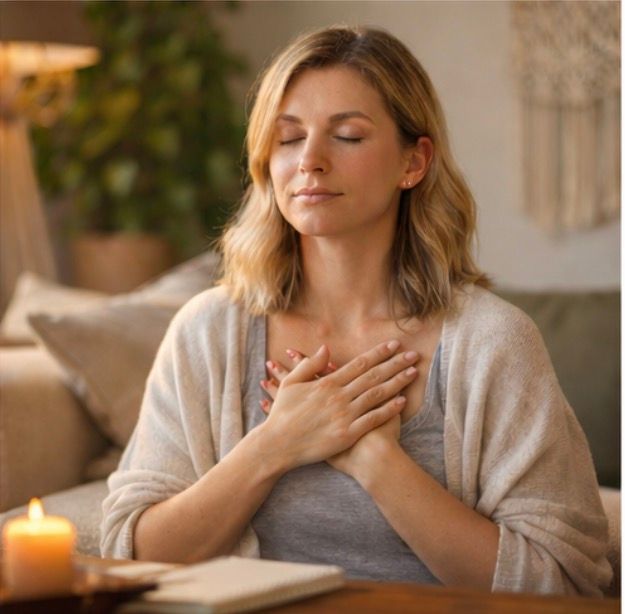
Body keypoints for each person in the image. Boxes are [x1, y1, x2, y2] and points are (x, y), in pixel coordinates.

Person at [101, 26, 611, 595]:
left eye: (346, 135)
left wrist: (378, 463)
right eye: (288, 137)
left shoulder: (494, 341)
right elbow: (131, 552)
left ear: (413, 163)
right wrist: (274, 446)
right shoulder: (208, 331)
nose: (310, 162)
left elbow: (565, 584)